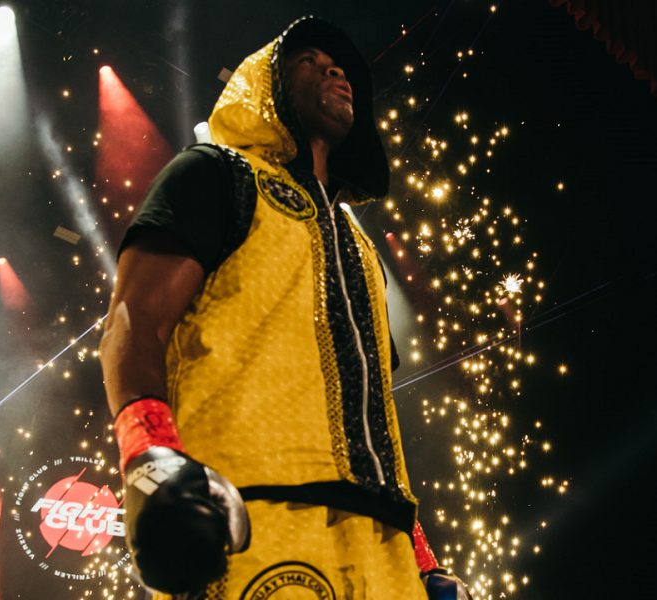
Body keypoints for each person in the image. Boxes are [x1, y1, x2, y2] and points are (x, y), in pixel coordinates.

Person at [100, 16, 471, 599]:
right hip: (252, 520)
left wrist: (420, 558)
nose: (335, 70)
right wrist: (148, 456)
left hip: (384, 551)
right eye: (309, 61)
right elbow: (133, 320)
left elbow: (371, 418)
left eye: (340, 66)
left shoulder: (362, 251)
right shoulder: (215, 173)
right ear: (265, 84)